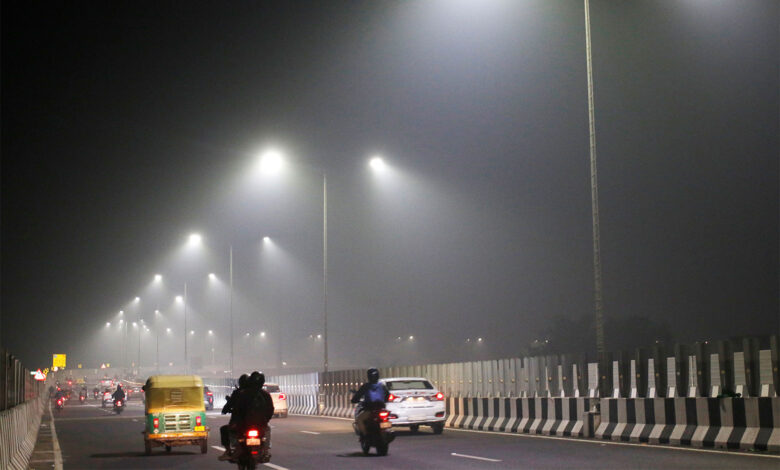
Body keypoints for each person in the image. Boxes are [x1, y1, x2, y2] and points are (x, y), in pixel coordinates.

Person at [218, 374, 250, 460]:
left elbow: (229, 405)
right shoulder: (260, 393)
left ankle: (228, 451)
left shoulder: (238, 393)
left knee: (224, 430)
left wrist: (226, 409)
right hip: (257, 424)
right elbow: (269, 409)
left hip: (239, 424)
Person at [351, 368, 389, 435]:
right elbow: (387, 396)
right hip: (381, 408)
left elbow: (357, 396)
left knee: (359, 420)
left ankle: (365, 435)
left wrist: (354, 400)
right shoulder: (382, 386)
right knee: (386, 419)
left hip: (369, 409)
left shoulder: (366, 386)